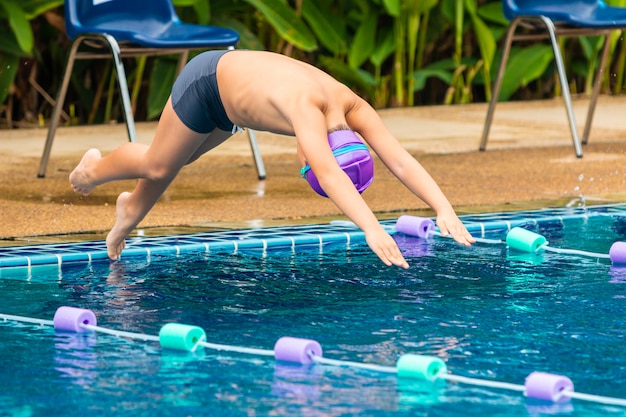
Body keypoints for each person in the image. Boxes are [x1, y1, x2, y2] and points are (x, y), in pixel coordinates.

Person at [70, 49, 475, 268]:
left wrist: (442, 206)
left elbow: (399, 159)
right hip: (206, 81)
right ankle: (92, 170)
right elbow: (330, 175)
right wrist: (372, 229)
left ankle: (129, 210)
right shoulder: (307, 110)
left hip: (230, 105)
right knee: (160, 164)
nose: (305, 164)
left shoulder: (353, 108)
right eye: (307, 167)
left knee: (179, 159)